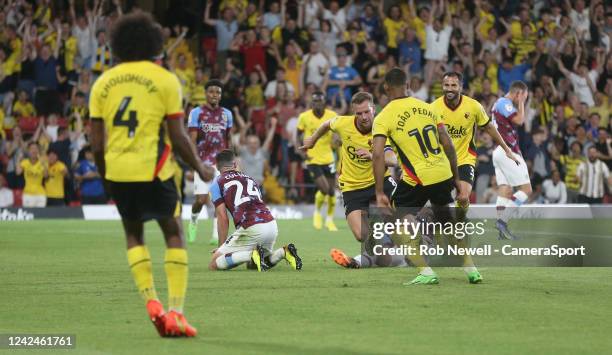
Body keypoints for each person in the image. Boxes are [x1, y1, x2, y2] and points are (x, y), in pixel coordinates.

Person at [89, 12, 214, 338]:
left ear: (118, 44)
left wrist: (106, 180)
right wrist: (199, 167)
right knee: (172, 232)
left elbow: (96, 144)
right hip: (154, 171)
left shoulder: (102, 83)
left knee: (133, 234)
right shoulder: (164, 79)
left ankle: (151, 302)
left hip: (118, 172)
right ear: (154, 44)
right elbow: (177, 136)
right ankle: (176, 312)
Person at [372, 68, 482, 285]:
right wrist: (457, 180)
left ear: (386, 88)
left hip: (418, 177)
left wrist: (378, 192)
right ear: (408, 85)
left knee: (394, 223)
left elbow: (377, 154)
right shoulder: (427, 107)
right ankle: (471, 270)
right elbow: (448, 144)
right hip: (442, 172)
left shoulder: (383, 116)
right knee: (448, 223)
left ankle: (425, 270)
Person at [301, 91, 404, 269]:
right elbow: (326, 124)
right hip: (352, 185)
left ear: (373, 109)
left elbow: (392, 161)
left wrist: (372, 155)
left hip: (380, 181)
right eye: (359, 113)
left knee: (402, 216)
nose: (363, 117)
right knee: (361, 235)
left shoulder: (381, 128)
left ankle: (399, 243)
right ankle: (381, 245)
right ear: (353, 112)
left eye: (367, 112)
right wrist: (313, 140)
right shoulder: (343, 123)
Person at [431, 72, 518, 221]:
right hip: (442, 162)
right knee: (440, 206)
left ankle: (460, 222)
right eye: (446, 85)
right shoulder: (433, 108)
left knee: (463, 197)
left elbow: (489, 128)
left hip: (465, 159)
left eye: (454, 85)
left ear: (461, 87)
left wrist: (507, 149)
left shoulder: (473, 106)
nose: (450, 89)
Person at [208, 150, 302, 272]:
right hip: (271, 225)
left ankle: (251, 254)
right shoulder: (250, 179)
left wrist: (221, 248)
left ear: (217, 167)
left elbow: (222, 217)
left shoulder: (217, 182)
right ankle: (283, 252)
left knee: (214, 264)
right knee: (253, 265)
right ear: (235, 164)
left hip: (251, 226)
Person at [187, 79, 233, 245]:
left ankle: (215, 234)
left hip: (221, 164)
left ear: (220, 95)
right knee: (200, 200)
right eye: (212, 92)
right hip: (203, 163)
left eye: (218, 92)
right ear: (206, 93)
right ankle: (193, 220)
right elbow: (191, 140)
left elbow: (229, 139)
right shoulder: (196, 113)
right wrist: (193, 165)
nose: (215, 95)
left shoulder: (227, 114)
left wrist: (232, 162)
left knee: (219, 201)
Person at [490, 81, 532, 240]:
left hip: (499, 151)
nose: (523, 101)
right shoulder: (504, 103)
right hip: (508, 151)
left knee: (505, 190)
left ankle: (501, 232)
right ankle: (502, 221)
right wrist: (521, 102)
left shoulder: (499, 104)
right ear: (518, 93)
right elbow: (520, 120)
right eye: (523, 97)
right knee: (526, 189)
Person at [297, 91, 338, 231]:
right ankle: (317, 213)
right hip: (312, 158)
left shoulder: (332, 116)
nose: (317, 104)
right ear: (311, 103)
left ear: (324, 102)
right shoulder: (304, 117)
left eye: (319, 101)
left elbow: (338, 133)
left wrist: (337, 141)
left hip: (329, 157)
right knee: (324, 189)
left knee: (332, 191)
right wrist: (302, 152)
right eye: (314, 101)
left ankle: (330, 220)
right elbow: (297, 135)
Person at [16, 142, 47, 207]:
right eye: (32, 148)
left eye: (36, 148)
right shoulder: (25, 162)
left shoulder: (42, 162)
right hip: (28, 194)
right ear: (28, 151)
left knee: (40, 216)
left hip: (40, 194)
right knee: (29, 216)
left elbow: (46, 176)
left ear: (38, 151)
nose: (34, 150)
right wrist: (18, 159)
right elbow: (18, 172)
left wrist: (43, 164)